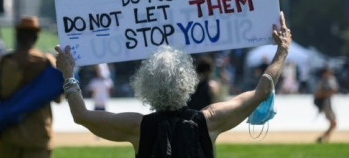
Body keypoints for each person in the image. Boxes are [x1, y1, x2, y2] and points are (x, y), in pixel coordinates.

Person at [55, 11, 292, 157]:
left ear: (145, 83)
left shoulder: (137, 126)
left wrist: (68, 73)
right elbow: (262, 91)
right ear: (188, 81)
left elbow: (81, 115)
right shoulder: (208, 121)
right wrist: (281, 51)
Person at [0, 15, 60, 158]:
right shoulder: (46, 62)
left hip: (9, 132)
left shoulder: (4, 62)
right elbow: (58, 98)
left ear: (18, 36)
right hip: (38, 133)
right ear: (35, 37)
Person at [314, 65, 338, 143]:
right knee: (333, 123)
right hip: (326, 104)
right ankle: (324, 138)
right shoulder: (322, 81)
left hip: (329, 103)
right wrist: (327, 93)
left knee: (333, 123)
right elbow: (317, 94)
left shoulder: (331, 79)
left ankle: (324, 138)